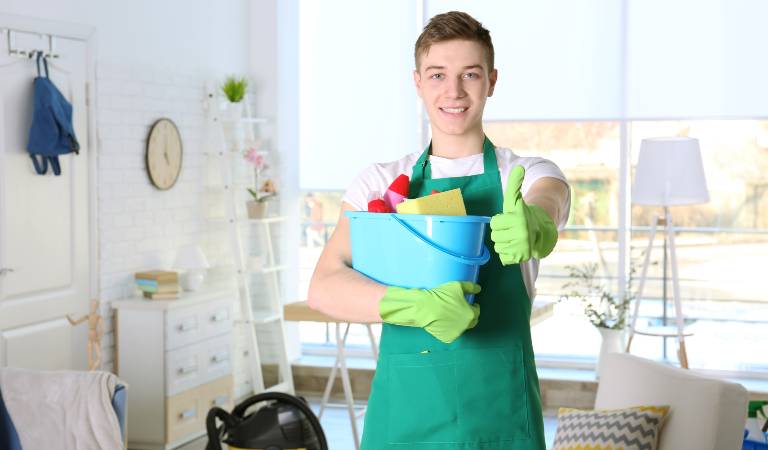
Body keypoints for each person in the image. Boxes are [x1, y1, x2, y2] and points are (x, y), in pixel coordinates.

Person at [308, 11, 570, 450]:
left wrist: (536, 226)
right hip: (405, 418)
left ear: (492, 81)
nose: (453, 91)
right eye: (437, 75)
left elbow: (551, 200)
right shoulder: (378, 184)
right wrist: (415, 306)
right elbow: (323, 286)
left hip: (499, 417)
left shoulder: (525, 173)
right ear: (417, 82)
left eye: (470, 74)